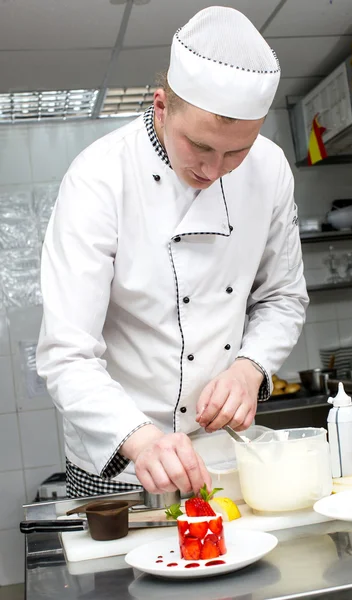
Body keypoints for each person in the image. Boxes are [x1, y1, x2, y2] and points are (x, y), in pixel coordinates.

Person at [36, 6, 308, 499]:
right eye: (199, 146)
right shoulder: (99, 178)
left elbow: (283, 298)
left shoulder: (269, 170)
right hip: (118, 460)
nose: (214, 169)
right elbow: (66, 352)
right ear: (161, 107)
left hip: (224, 455)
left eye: (236, 152)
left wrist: (250, 369)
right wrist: (141, 441)